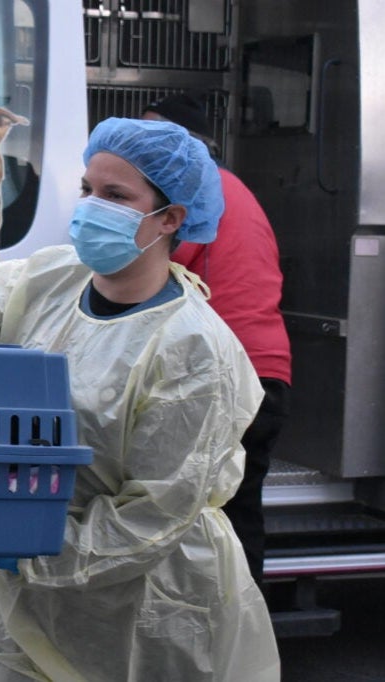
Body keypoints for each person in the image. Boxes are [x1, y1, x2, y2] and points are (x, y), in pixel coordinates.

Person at [0, 117, 280, 681]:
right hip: (22, 601)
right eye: (87, 190)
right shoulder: (54, 276)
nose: (91, 207)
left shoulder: (193, 349)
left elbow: (152, 515)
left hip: (141, 610)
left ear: (171, 218)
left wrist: (32, 551)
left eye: (116, 196)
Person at [143, 93, 292, 586]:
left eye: (153, 138)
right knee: (237, 512)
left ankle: (228, 642)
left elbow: (146, 270)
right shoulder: (233, 188)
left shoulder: (197, 194)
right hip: (262, 370)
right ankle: (242, 641)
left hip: (230, 375)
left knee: (209, 519)